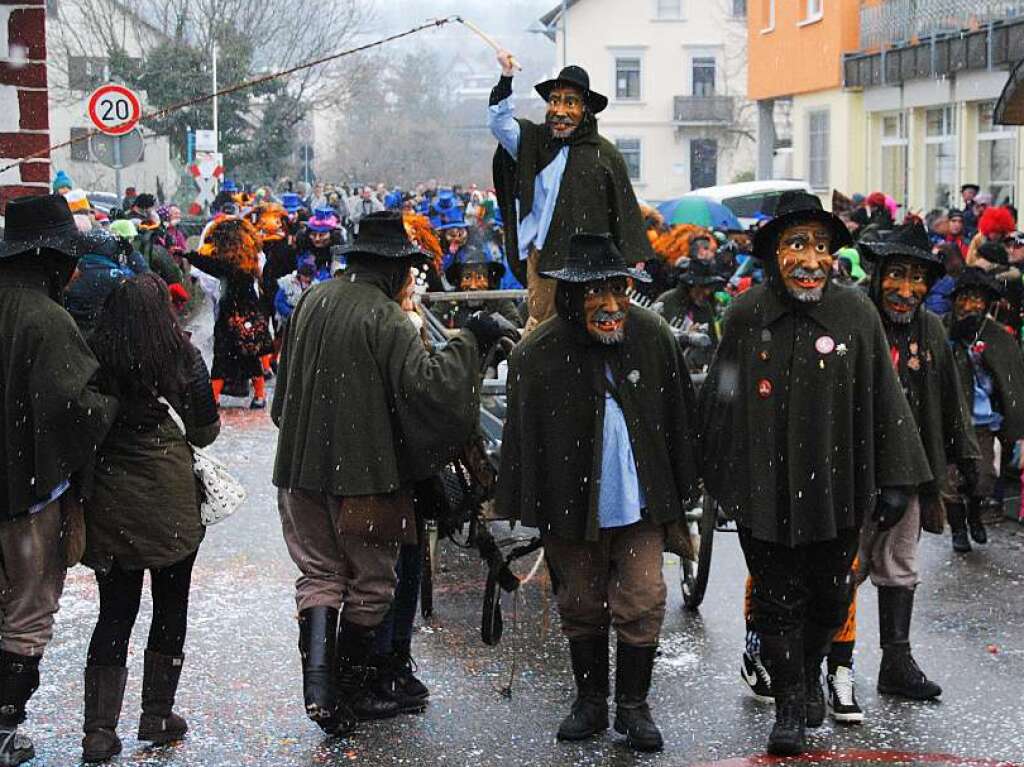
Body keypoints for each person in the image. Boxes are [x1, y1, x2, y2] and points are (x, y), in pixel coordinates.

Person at [700, 192, 932, 755]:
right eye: (795, 244)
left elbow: (884, 395)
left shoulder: (856, 313)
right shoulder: (745, 314)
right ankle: (788, 705)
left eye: (821, 246)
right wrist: (719, 476)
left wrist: (898, 479)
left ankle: (805, 675)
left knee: (831, 599)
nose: (810, 259)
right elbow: (722, 397)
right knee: (777, 599)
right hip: (763, 487)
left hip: (838, 488)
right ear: (774, 253)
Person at [272, 211, 508, 737]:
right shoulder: (385, 318)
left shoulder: (313, 300)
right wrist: (471, 341)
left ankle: (321, 695)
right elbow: (430, 393)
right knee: (372, 584)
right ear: (394, 268)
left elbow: (283, 389)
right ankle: (351, 691)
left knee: (319, 576)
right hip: (364, 479)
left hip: (298, 471)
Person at [496, 233, 700, 753]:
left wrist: (682, 488)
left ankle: (634, 706)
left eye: (619, 290)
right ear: (569, 296)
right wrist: (529, 503)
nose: (610, 306)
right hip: (571, 500)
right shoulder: (538, 355)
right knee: (581, 601)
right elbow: (525, 439)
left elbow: (679, 419)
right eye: (594, 293)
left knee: (644, 596)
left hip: (639, 502)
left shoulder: (653, 337)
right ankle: (590, 702)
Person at [0, 195, 127, 766]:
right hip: (26, 488)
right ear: (53, 259)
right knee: (28, 610)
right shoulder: (47, 319)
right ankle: (4, 724)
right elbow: (77, 405)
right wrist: (108, 402)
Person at [79, 274, 220, 762]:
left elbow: (81, 422)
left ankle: (99, 729)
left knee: (114, 613)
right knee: (169, 604)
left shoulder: (94, 356)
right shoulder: (183, 357)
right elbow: (205, 432)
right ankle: (157, 714)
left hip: (111, 503)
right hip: (171, 503)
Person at [854, 222, 979, 703]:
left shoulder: (930, 327)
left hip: (912, 467)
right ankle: (822, 664)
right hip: (855, 467)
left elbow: (949, 397)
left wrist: (964, 455)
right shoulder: (856, 316)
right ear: (878, 272)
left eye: (918, 279)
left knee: (899, 562)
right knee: (843, 567)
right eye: (896, 275)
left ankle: (896, 662)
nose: (906, 291)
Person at [489, 52, 652, 332]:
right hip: (545, 260)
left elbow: (623, 213)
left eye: (570, 102)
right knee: (544, 330)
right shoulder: (533, 141)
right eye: (554, 101)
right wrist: (506, 77)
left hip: (593, 266)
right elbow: (500, 125)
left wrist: (628, 262)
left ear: (585, 109)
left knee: (589, 332)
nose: (560, 111)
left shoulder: (605, 155)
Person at [947, 268, 1024, 552]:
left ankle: (974, 514)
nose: (970, 306)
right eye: (965, 298)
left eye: (977, 300)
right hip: (950, 420)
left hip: (982, 420)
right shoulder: (941, 328)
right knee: (951, 479)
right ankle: (957, 530)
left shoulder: (998, 336)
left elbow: (1010, 378)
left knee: (981, 478)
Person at [188, 217, 273, 409]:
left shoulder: (232, 266)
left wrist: (190, 256)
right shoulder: (250, 260)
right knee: (248, 356)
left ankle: (215, 398)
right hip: (246, 315)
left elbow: (212, 266)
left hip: (234, 315)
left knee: (224, 356)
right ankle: (257, 396)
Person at [64, 228, 148, 334]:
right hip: (104, 335)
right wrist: (132, 254)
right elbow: (147, 282)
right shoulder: (119, 278)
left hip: (70, 332)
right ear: (112, 250)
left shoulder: (70, 273)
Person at [653, 259, 725, 371]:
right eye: (702, 287)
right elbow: (655, 340)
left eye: (709, 287)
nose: (706, 292)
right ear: (690, 286)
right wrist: (685, 336)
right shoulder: (666, 302)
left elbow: (713, 346)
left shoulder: (705, 307)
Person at [432, 246, 521, 329]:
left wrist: (496, 325)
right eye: (467, 277)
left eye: (479, 277)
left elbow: (515, 324)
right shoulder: (449, 300)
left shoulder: (499, 300)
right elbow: (432, 321)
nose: (473, 286)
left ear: (489, 280)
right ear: (459, 280)